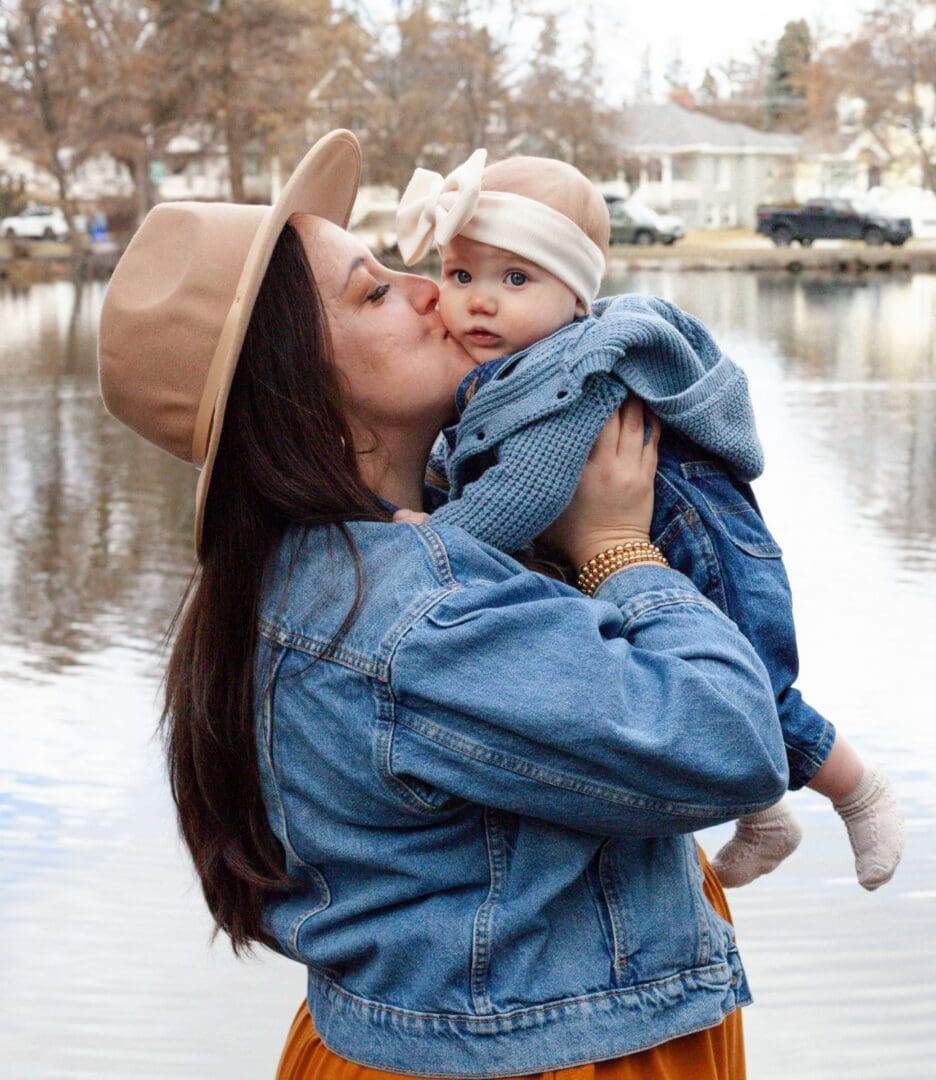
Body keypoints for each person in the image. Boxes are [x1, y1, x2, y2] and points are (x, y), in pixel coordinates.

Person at [98, 130, 788, 1079]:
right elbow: (733, 744)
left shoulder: (350, 556)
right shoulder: (414, 613)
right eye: (375, 292)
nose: (433, 290)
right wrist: (617, 550)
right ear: (295, 384)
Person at [395, 149, 904, 892]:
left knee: (754, 691)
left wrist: (435, 540)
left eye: (516, 279)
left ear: (576, 297)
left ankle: (860, 791)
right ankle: (765, 814)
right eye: (461, 275)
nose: (480, 302)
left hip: (695, 537)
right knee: (682, 685)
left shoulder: (578, 367)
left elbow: (526, 494)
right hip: (640, 542)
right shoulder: (513, 366)